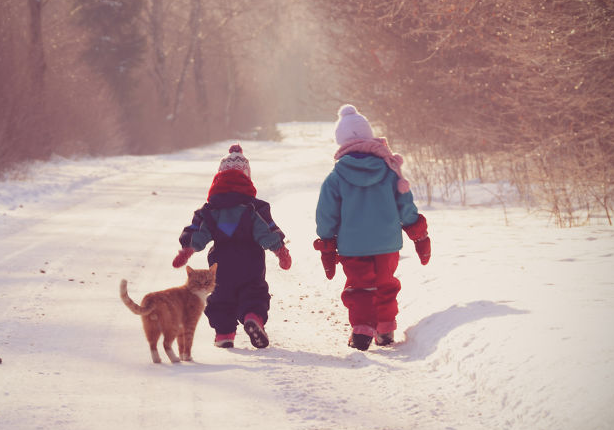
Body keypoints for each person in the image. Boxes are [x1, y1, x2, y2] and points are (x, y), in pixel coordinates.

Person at [314, 104, 431, 350]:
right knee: (385, 283)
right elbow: (405, 204)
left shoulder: (335, 178)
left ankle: (362, 330)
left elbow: (326, 214)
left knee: (359, 287)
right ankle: (386, 328)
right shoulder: (389, 171)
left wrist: (327, 242)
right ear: (368, 135)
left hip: (352, 246)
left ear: (341, 141)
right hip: (387, 243)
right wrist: (418, 234)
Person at [173, 144, 292, 349]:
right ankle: (252, 316)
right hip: (251, 261)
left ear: (218, 177)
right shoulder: (255, 208)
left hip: (221, 262)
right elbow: (267, 231)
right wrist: (280, 251)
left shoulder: (209, 210)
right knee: (254, 292)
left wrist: (187, 249)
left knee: (221, 296)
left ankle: (224, 333)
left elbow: (198, 232)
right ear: (247, 177)